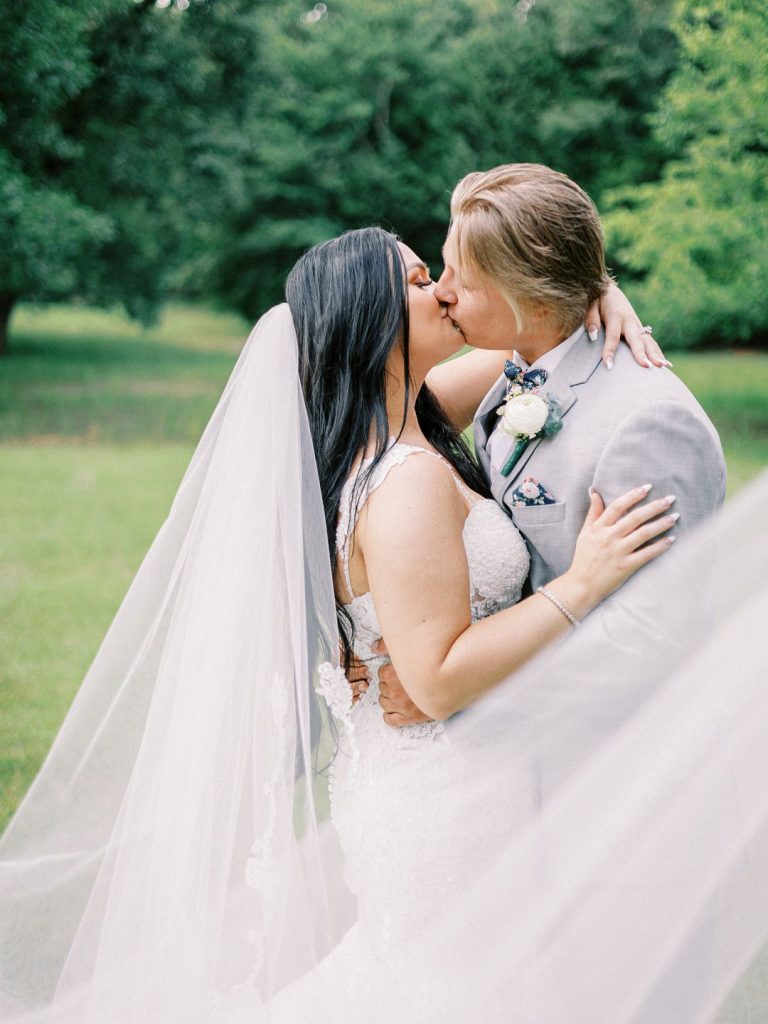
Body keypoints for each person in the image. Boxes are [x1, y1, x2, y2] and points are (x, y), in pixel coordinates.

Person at [0, 221, 679, 1024]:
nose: (447, 290)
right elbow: (433, 680)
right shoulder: (409, 479)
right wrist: (585, 582)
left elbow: (531, 343)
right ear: (373, 322)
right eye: (423, 281)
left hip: (414, 781)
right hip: (447, 795)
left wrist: (601, 291)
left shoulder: (403, 424)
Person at [364, 164, 726, 731]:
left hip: (601, 761)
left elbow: (653, 635)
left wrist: (467, 698)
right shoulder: (514, 368)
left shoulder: (649, 421)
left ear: (531, 301)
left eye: (465, 279)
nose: (443, 291)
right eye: (444, 266)